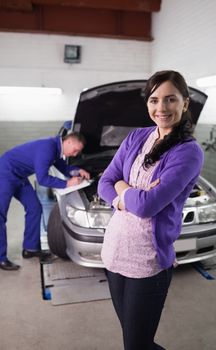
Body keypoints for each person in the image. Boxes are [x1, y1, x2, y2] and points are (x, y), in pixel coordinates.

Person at [98, 70, 204, 350]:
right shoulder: (136, 137)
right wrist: (126, 194)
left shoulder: (188, 152)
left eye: (170, 99)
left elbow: (147, 206)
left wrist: (122, 188)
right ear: (147, 103)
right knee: (134, 339)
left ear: (184, 103)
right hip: (115, 250)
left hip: (148, 261)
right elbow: (105, 182)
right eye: (154, 99)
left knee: (136, 344)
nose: (161, 108)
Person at [0, 132, 90, 271]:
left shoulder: (56, 149)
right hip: (5, 172)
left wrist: (78, 171)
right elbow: (42, 179)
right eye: (75, 150)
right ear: (69, 142)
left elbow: (64, 168)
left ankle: (30, 249)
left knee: (34, 208)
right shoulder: (48, 148)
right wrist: (67, 184)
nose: (75, 154)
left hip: (19, 176)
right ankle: (1, 258)